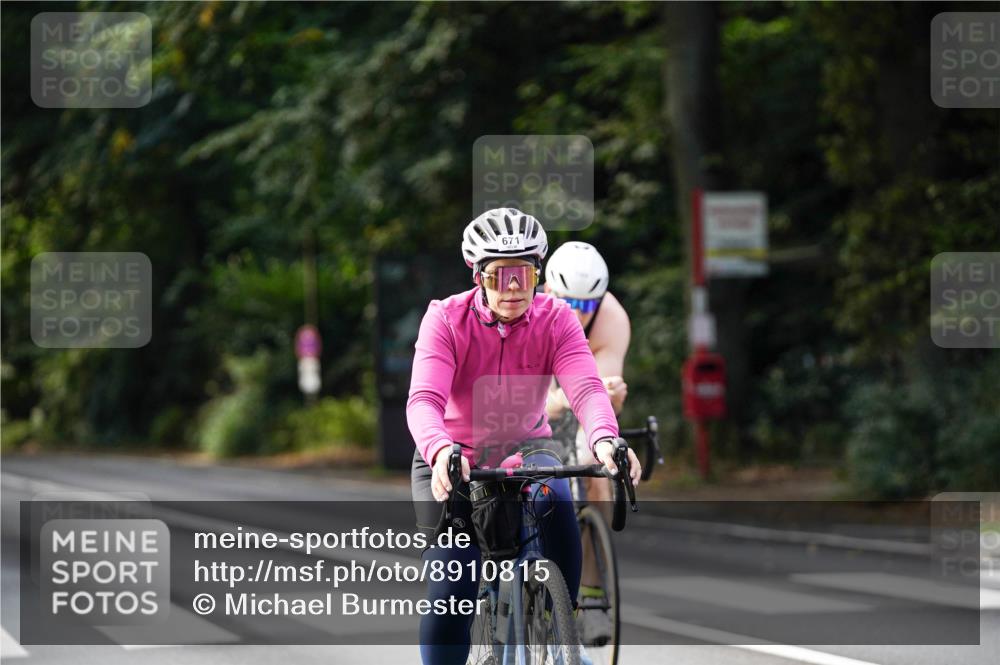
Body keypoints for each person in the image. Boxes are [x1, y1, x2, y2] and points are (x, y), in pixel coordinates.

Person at [407, 208, 642, 665]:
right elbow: (423, 400)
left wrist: (605, 441)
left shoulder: (556, 318)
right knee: (450, 591)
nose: (513, 288)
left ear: (539, 273)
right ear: (477, 276)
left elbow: (587, 388)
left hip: (526, 450)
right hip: (452, 457)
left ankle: (560, 629)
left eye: (525, 274)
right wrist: (438, 451)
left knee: (554, 497)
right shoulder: (445, 320)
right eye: (499, 276)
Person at [544, 241, 631, 645]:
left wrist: (606, 399)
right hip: (538, 393)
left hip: (582, 391)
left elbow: (596, 390)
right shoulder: (527, 307)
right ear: (548, 291)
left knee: (591, 460)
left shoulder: (611, 317)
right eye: (569, 302)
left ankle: (593, 592)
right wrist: (553, 402)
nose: (579, 313)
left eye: (587, 303)